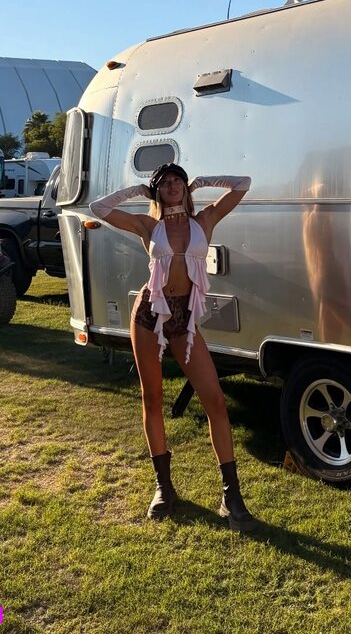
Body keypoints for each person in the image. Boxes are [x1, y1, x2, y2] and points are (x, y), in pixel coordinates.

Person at [89, 163, 256, 531]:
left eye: (177, 180)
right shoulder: (149, 226)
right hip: (150, 313)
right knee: (152, 398)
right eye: (164, 183)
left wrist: (203, 181)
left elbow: (242, 183)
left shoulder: (205, 221)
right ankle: (164, 488)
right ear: (158, 192)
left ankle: (231, 495)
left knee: (214, 400)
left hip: (184, 318)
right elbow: (98, 208)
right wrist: (138, 190)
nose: (172, 185)